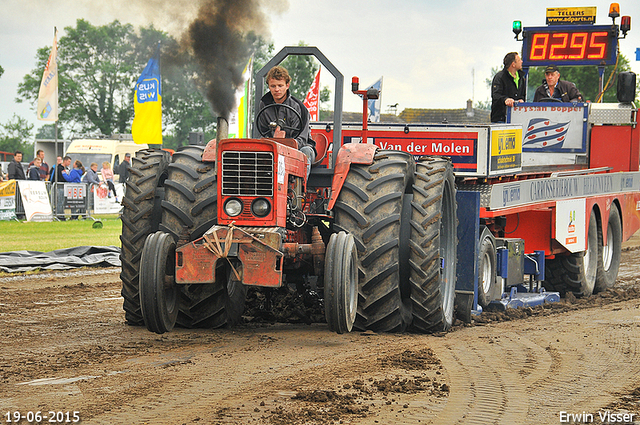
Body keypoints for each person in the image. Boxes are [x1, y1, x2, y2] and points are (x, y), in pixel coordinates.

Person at [256, 66, 316, 177]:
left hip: (299, 147)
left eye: (280, 85)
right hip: (274, 146)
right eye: (273, 86)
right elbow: (262, 131)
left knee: (305, 152)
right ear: (269, 86)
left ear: (287, 86)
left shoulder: (299, 108)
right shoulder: (264, 105)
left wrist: (286, 144)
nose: (276, 89)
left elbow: (302, 139)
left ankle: (300, 189)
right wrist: (272, 140)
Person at [491, 52, 526, 123]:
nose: (522, 61)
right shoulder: (500, 77)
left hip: (516, 120)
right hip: (500, 119)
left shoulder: (521, 78)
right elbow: (496, 95)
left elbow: (523, 95)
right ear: (513, 64)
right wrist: (505, 99)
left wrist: (521, 100)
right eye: (519, 60)